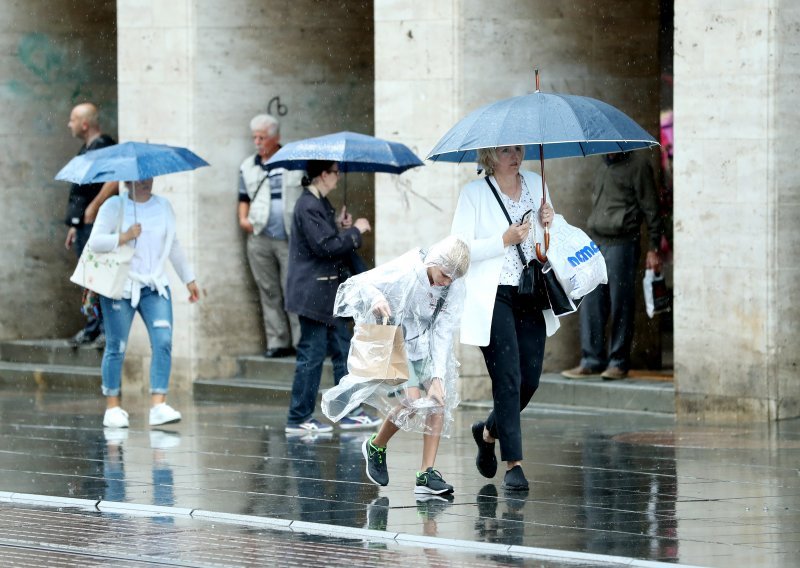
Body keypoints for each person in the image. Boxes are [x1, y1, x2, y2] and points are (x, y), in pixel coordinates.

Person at [322, 236, 469, 495]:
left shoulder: (452, 287)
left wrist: (438, 377)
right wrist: (377, 299)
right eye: (444, 274)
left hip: (424, 344)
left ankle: (426, 473)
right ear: (435, 262)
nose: (446, 282)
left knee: (438, 401)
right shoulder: (408, 269)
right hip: (397, 339)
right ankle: (376, 446)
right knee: (412, 401)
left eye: (452, 279)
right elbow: (363, 282)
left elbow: (443, 332)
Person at [450, 145, 556, 491]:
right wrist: (503, 240)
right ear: (490, 156)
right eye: (506, 150)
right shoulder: (474, 194)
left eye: (518, 149)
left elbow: (546, 240)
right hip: (493, 296)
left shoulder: (537, 183)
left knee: (530, 381)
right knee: (508, 377)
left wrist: (549, 223)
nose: (515, 155)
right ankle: (515, 465)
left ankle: (487, 432)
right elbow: (460, 249)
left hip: (531, 292)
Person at [87, 178, 200, 428]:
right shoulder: (114, 206)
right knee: (117, 345)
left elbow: (174, 245)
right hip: (121, 286)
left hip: (154, 285)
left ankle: (159, 404)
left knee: (163, 341)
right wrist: (124, 236)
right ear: (127, 181)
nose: (146, 181)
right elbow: (95, 242)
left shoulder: (164, 207)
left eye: (149, 176)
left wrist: (188, 279)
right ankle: (113, 407)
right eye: (140, 177)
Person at [284, 160, 380, 433]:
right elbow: (325, 247)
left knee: (341, 349)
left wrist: (340, 225)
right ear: (323, 175)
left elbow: (324, 239)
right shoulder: (308, 205)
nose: (338, 177)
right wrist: (355, 231)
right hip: (313, 294)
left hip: (326, 293)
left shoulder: (319, 203)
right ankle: (298, 417)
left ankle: (347, 410)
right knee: (311, 356)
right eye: (335, 173)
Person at [562, 151, 664, 381]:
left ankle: (618, 362)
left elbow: (652, 208)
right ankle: (591, 359)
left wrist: (654, 247)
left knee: (621, 303)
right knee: (590, 301)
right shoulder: (602, 164)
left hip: (623, 242)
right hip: (595, 240)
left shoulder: (638, 166)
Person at [238, 114, 303, 358]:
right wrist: (243, 220)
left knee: (292, 288)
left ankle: (300, 341)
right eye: (254, 137)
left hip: (289, 237)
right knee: (268, 290)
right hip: (259, 235)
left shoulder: (294, 160)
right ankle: (277, 341)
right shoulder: (248, 165)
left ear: (276, 138)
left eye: (262, 137)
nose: (257, 142)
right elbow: (243, 197)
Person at [64, 103, 119, 347]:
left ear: (85, 124)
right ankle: (92, 327)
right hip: (84, 225)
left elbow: (115, 179)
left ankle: (106, 329)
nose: (69, 124)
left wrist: (94, 207)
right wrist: (75, 225)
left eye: (73, 119)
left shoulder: (103, 146)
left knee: (100, 277)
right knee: (89, 279)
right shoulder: (85, 149)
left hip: (98, 224)